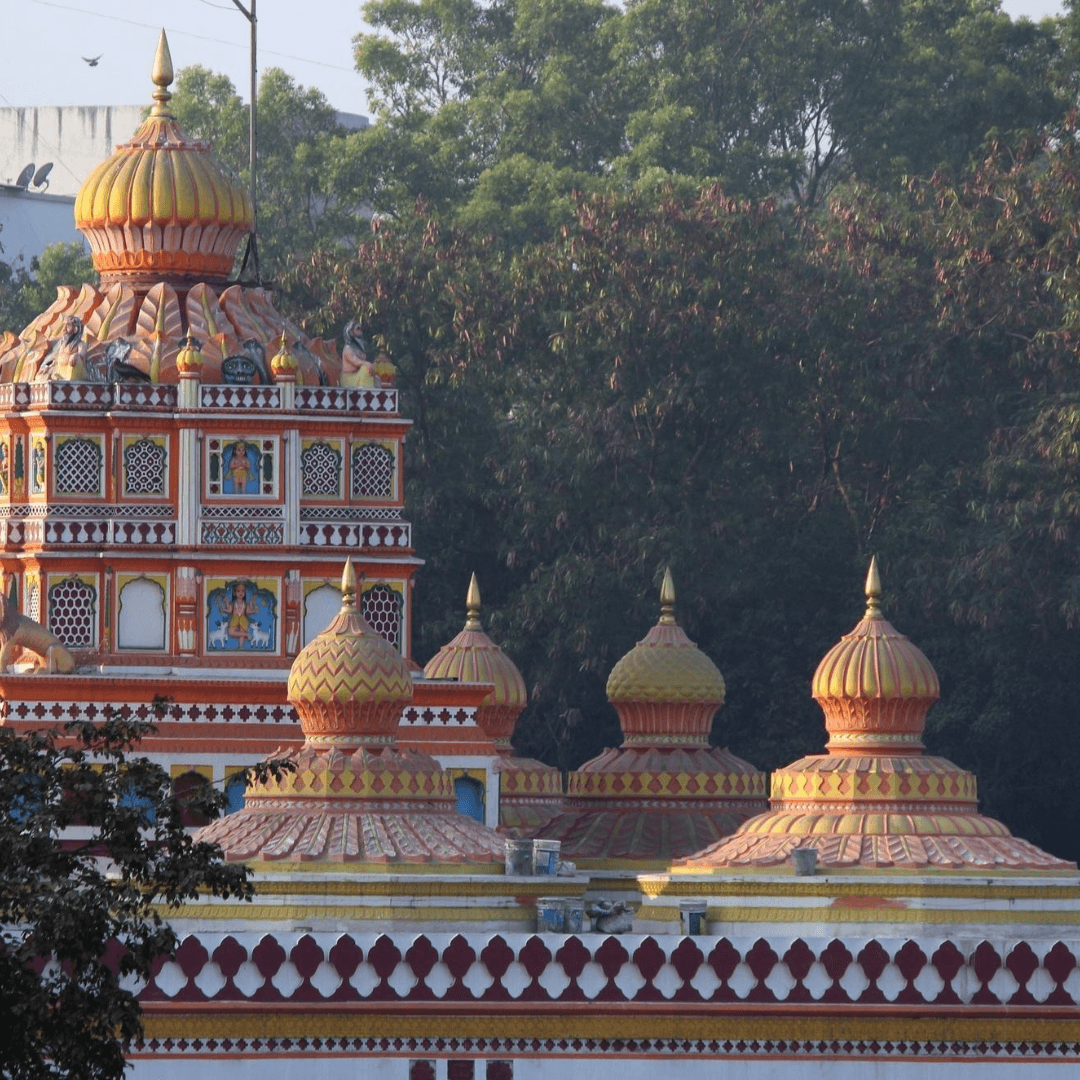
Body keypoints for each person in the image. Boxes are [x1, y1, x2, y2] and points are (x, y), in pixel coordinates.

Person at [220, 581, 253, 646]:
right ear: (234, 593)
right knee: (231, 632)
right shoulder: (233, 603)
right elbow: (229, 610)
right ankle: (246, 634)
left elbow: (248, 611)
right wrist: (224, 608)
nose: (241, 593)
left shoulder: (245, 604)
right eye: (238, 591)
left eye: (243, 591)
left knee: (241, 630)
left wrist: (253, 609)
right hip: (234, 619)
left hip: (243, 619)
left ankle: (240, 646)